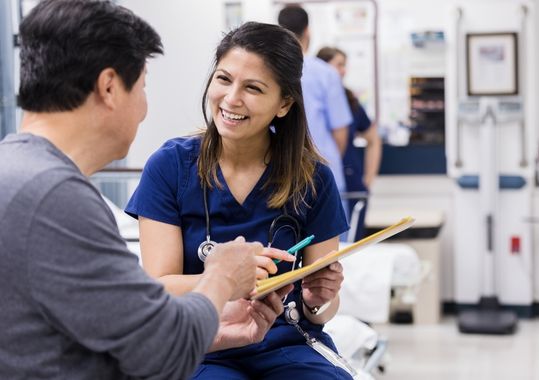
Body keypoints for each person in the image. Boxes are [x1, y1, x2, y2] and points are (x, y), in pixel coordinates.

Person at [0, 1, 279, 378]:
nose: (145, 109)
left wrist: (214, 332)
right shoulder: (54, 196)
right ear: (110, 87)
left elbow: (121, 334)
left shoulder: (17, 172)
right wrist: (223, 275)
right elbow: (162, 351)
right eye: (143, 87)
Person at [125, 21, 352, 379]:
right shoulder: (170, 167)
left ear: (284, 103)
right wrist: (234, 277)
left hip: (288, 344)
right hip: (203, 346)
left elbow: (321, 310)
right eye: (223, 79)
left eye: (253, 88)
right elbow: (160, 287)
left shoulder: (313, 179)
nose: (231, 99)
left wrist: (316, 300)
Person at [278, 5, 352, 201]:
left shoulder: (273, 73)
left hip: (282, 175)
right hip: (324, 174)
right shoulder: (326, 73)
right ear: (308, 31)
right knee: (331, 231)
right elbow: (340, 131)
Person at [317, 46, 382, 241]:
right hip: (324, 183)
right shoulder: (310, 98)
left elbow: (373, 139)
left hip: (352, 185)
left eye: (345, 65)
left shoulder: (350, 101)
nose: (343, 70)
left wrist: (368, 179)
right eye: (338, 65)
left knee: (352, 245)